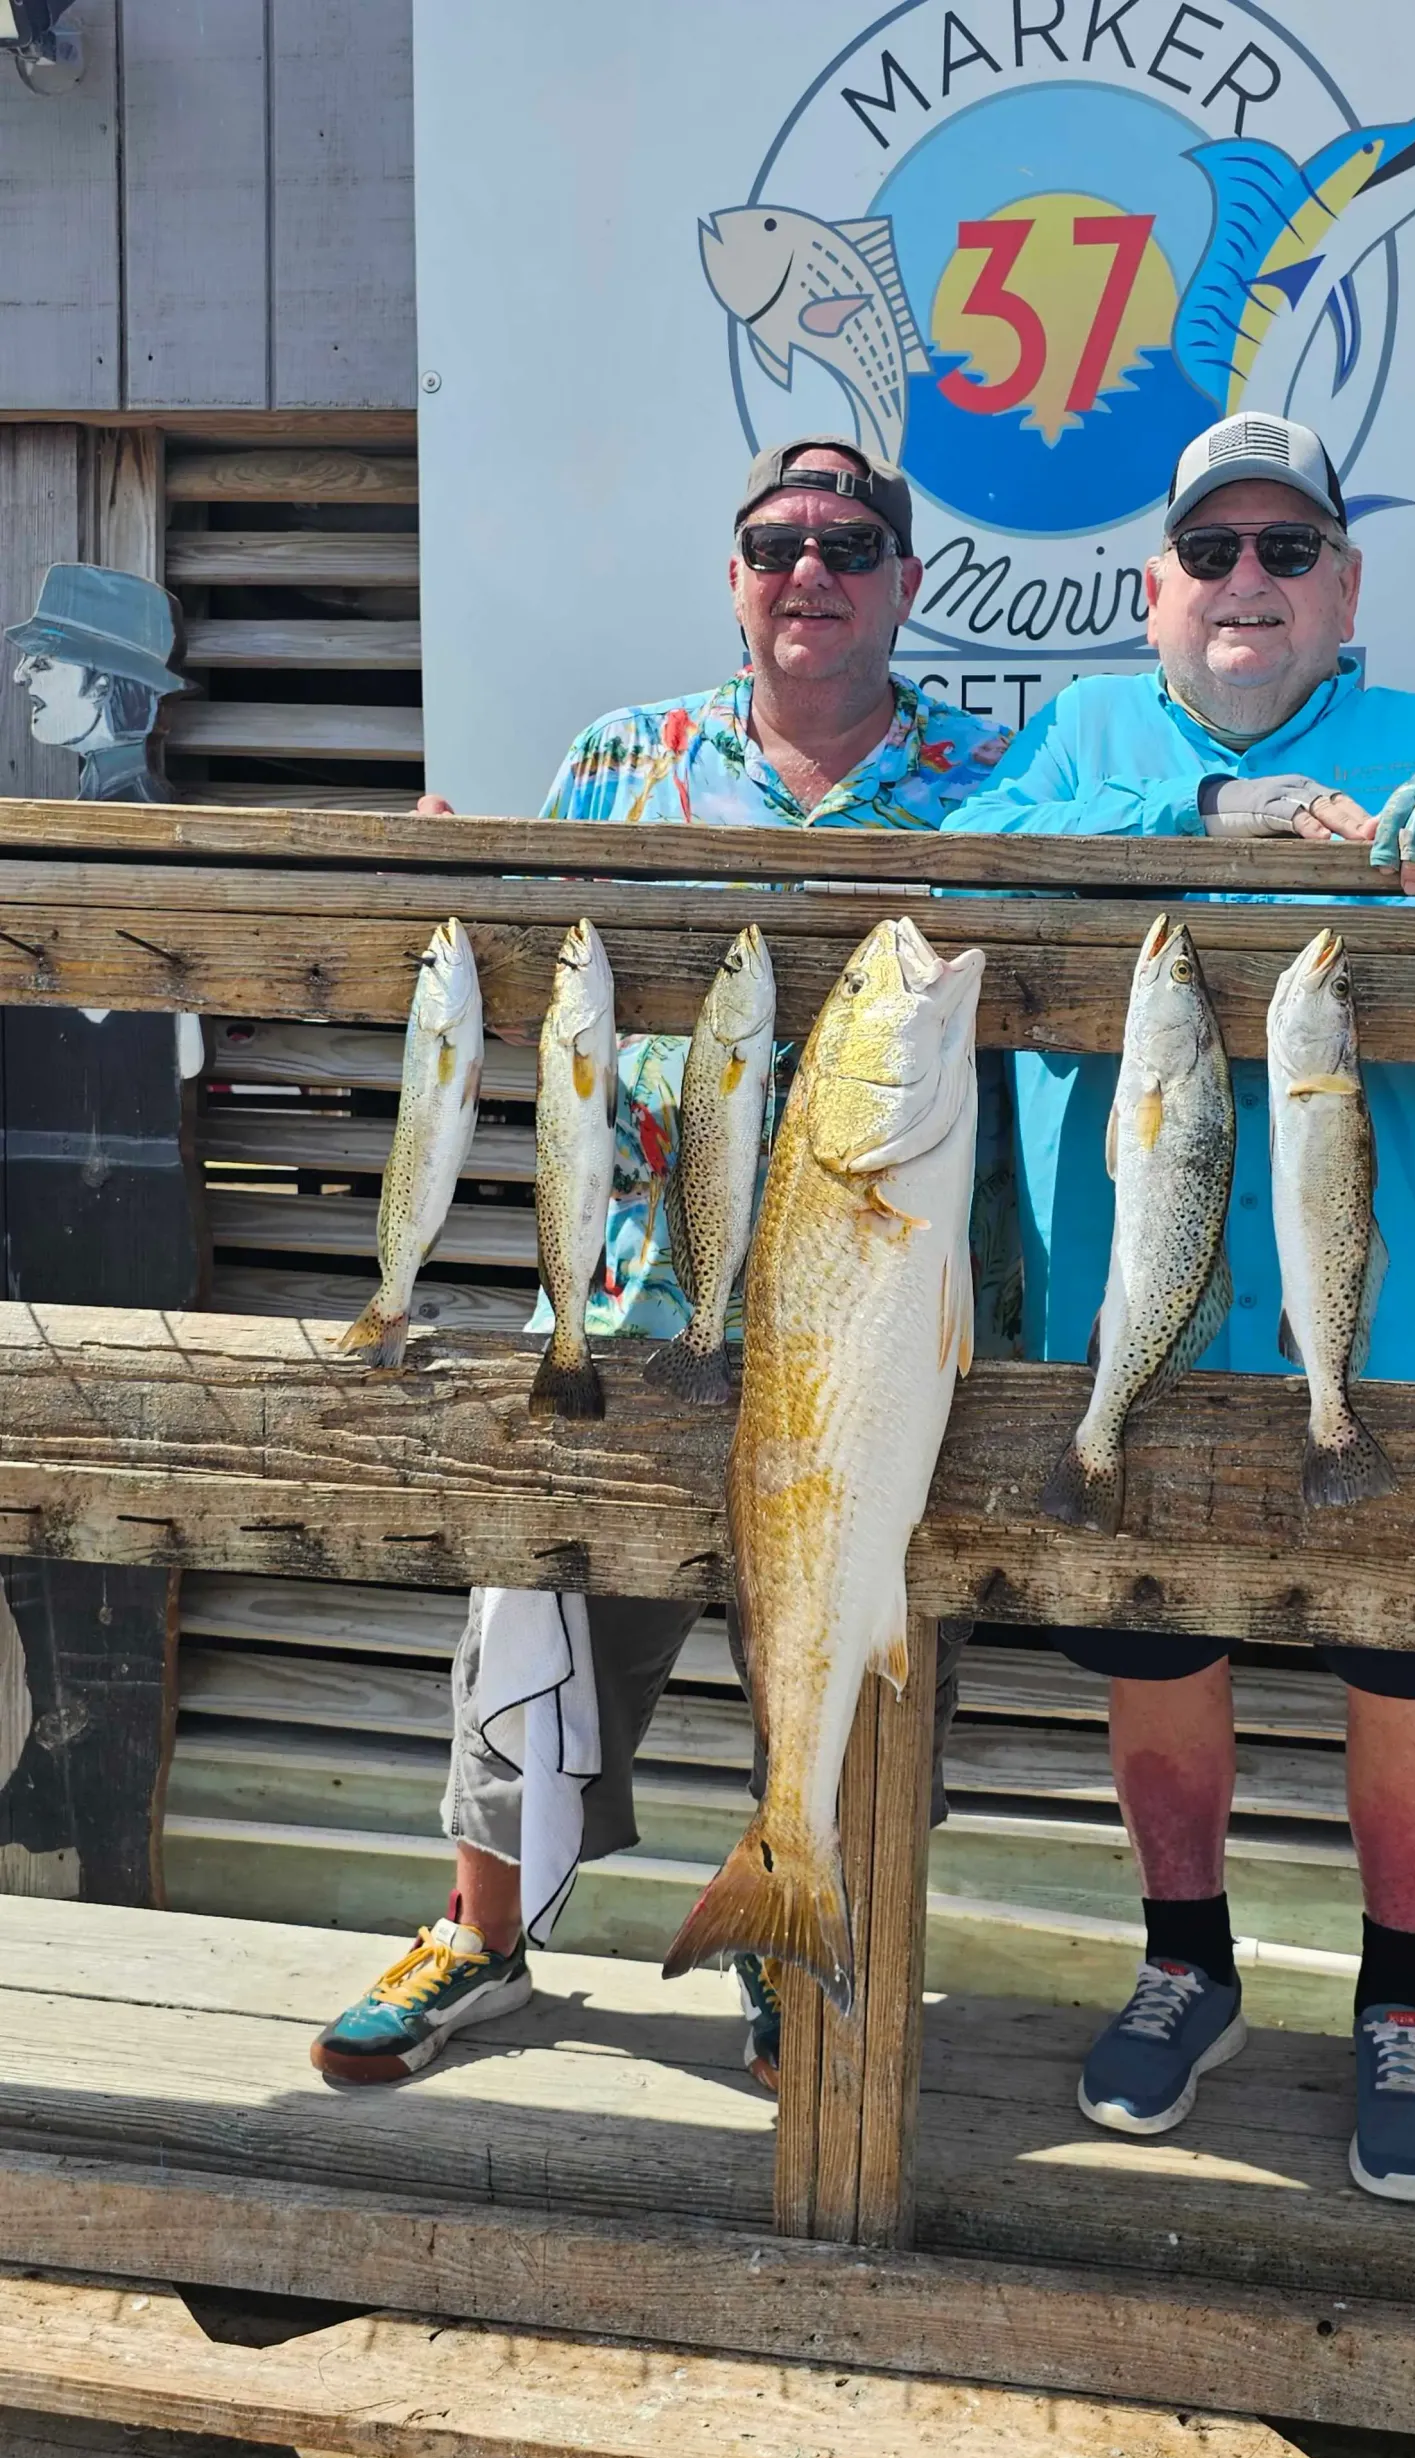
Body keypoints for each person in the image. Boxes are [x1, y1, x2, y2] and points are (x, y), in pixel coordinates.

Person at [948, 409, 1415, 2203]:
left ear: (1348, 589)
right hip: (1138, 1333)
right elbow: (964, 859)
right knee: (1158, 1647)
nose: (1249, 583)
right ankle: (1186, 1964)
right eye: (1213, 552)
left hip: (1395, 1328)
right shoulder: (1074, 743)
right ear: (1153, 593)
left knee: (1409, 1662)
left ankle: (1406, 2007)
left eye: (1290, 551)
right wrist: (1199, 815)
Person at [311, 439, 1010, 2091]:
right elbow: (531, 956)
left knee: (857, 1632)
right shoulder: (627, 758)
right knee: (529, 1612)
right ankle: (482, 1936)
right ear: (734, 574)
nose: (811, 570)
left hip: (886, 1316)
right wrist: (443, 871)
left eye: (849, 542)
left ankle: (799, 1932)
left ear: (907, 578)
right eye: (776, 542)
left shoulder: (1000, 766)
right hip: (628, 1301)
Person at [6, 560, 186, 804]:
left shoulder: (127, 804)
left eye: (42, 663)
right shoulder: (104, 788)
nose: (19, 676)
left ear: (101, 686)